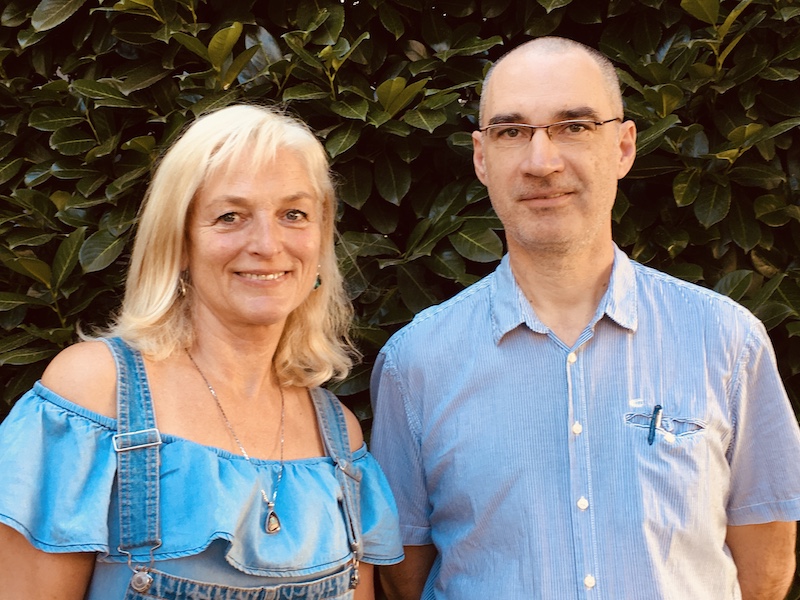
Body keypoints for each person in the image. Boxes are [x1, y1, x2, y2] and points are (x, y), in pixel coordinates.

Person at [370, 36, 800, 599]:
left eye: (574, 126)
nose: (541, 162)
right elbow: (405, 575)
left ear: (623, 147)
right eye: (511, 132)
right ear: (481, 157)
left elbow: (765, 566)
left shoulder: (727, 341)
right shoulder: (414, 364)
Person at [0, 104, 403, 599]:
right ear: (179, 242)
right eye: (230, 216)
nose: (267, 243)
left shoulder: (338, 435)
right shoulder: (95, 393)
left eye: (293, 215)